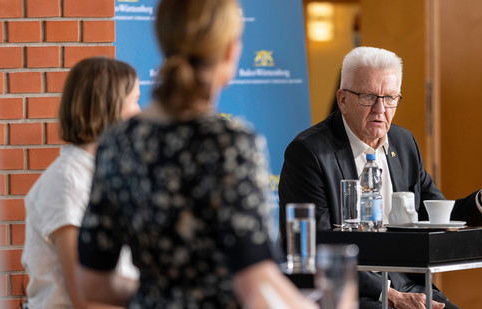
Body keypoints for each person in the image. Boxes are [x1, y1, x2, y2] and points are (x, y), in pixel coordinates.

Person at [75, 0, 318, 308]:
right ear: (230, 50)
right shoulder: (231, 143)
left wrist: (161, 296)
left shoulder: (116, 143)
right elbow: (255, 285)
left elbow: (93, 285)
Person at [278, 46, 482, 309]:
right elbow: (316, 244)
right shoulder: (308, 153)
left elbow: (435, 215)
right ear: (342, 99)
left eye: (389, 98)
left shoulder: (404, 142)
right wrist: (390, 296)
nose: (380, 108)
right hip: (347, 290)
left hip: (409, 284)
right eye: (368, 96)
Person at [21, 57, 141, 309]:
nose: (139, 112)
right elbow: (86, 299)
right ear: (108, 106)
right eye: (135, 101)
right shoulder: (67, 181)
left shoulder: (102, 175)